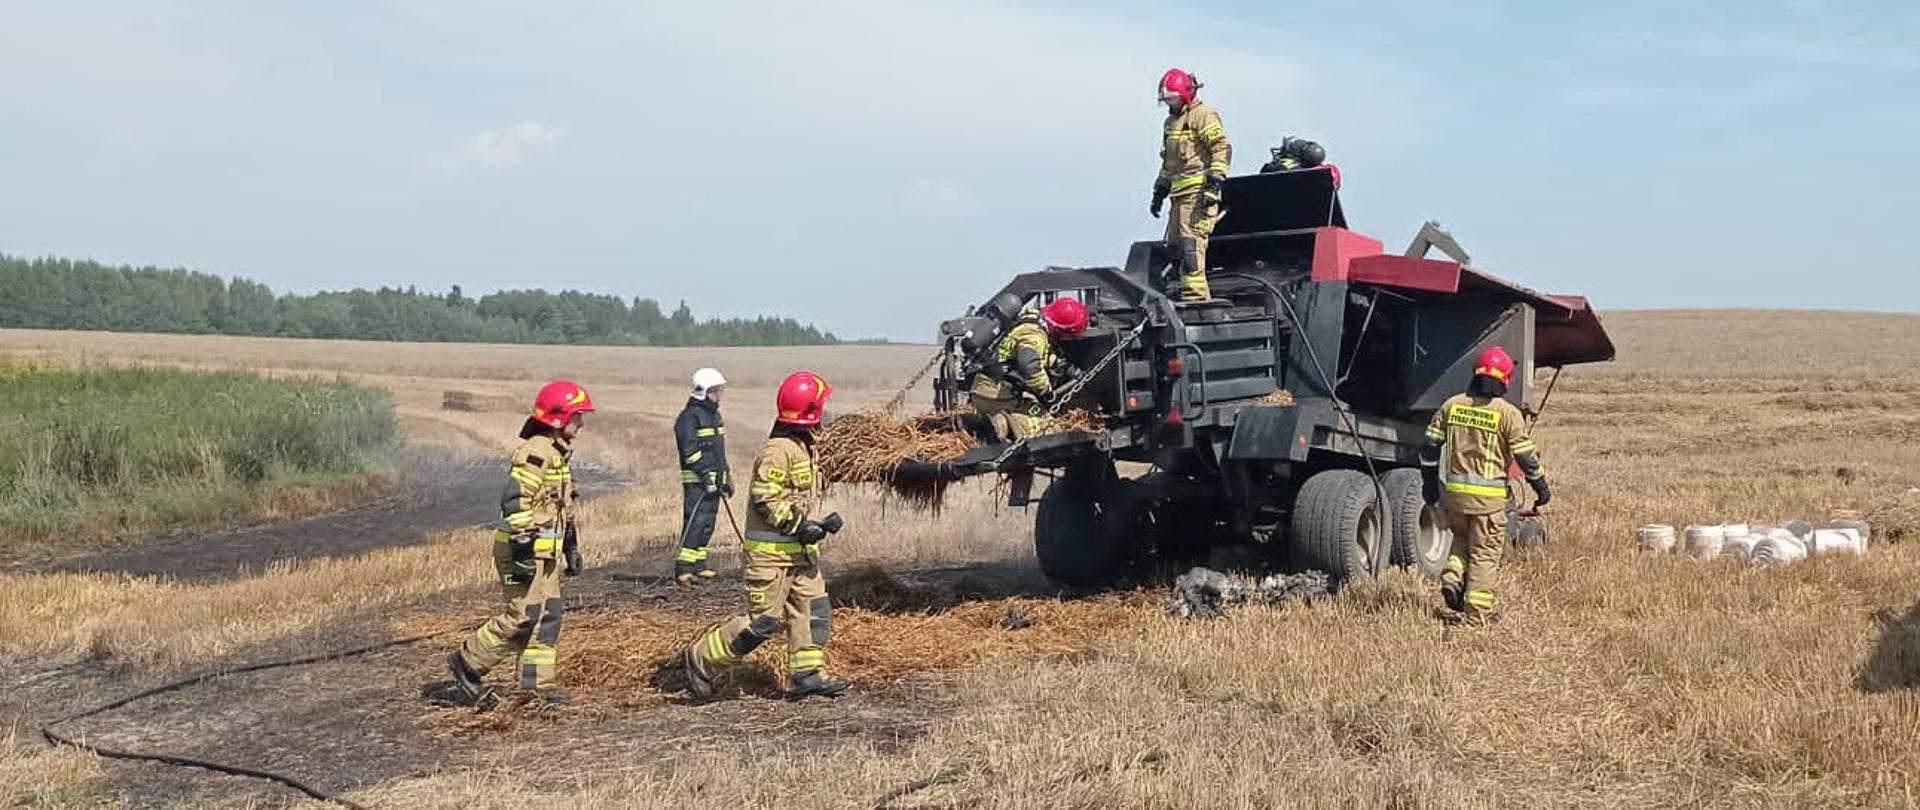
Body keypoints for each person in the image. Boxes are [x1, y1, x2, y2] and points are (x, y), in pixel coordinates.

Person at [682, 371, 850, 700]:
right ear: (810, 412)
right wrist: (801, 527)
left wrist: (812, 526)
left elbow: (792, 500)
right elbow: (767, 500)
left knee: (814, 610)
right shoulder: (778, 451)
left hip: (800, 556)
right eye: (822, 407)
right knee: (762, 624)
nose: (826, 414)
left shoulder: (803, 447)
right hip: (770, 559)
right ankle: (701, 659)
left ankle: (806, 675)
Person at [448, 380, 595, 706]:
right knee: (522, 616)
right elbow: (515, 503)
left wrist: (571, 547)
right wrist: (524, 549)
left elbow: (562, 509)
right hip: (520, 552)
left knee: (548, 616)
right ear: (559, 418)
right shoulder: (537, 452)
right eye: (578, 415)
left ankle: (535, 688)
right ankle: (468, 661)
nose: (581, 423)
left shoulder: (559, 455)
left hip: (545, 556)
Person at [1421, 347, 1551, 625]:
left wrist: (1430, 486)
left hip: (1455, 498)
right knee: (1484, 554)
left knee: (1460, 542)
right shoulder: (1507, 413)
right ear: (1505, 379)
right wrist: (1541, 487)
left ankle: (1452, 577)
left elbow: (1430, 447)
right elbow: (1526, 457)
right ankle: (1477, 614)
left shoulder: (1451, 405)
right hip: (1489, 502)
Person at [1149, 67, 1232, 302]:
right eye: (1166, 101)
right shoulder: (1170, 123)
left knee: (1191, 245)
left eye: (1173, 99)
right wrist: (1160, 190)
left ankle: (1195, 297)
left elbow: (1220, 149)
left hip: (1197, 193)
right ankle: (1185, 292)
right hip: (1178, 194)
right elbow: (1169, 162)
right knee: (1175, 247)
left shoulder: (1203, 115)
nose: (1169, 104)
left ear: (1185, 94)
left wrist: (1213, 185)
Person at [966, 297, 1089, 442]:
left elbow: (1040, 354)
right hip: (998, 396)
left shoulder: (1032, 324)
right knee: (1047, 429)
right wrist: (1045, 390)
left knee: (1041, 417)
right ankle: (999, 424)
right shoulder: (1034, 335)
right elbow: (1029, 364)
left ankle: (986, 422)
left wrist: (1066, 367)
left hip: (990, 391)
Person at [673, 367, 732, 584]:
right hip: (697, 483)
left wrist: (726, 476)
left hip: (713, 481)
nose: (719, 395)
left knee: (708, 524)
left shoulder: (714, 416)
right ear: (702, 391)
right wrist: (705, 473)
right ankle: (683, 568)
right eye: (715, 391)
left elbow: (719, 451)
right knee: (695, 522)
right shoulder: (689, 418)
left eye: (720, 390)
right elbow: (690, 452)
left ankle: (699, 565)